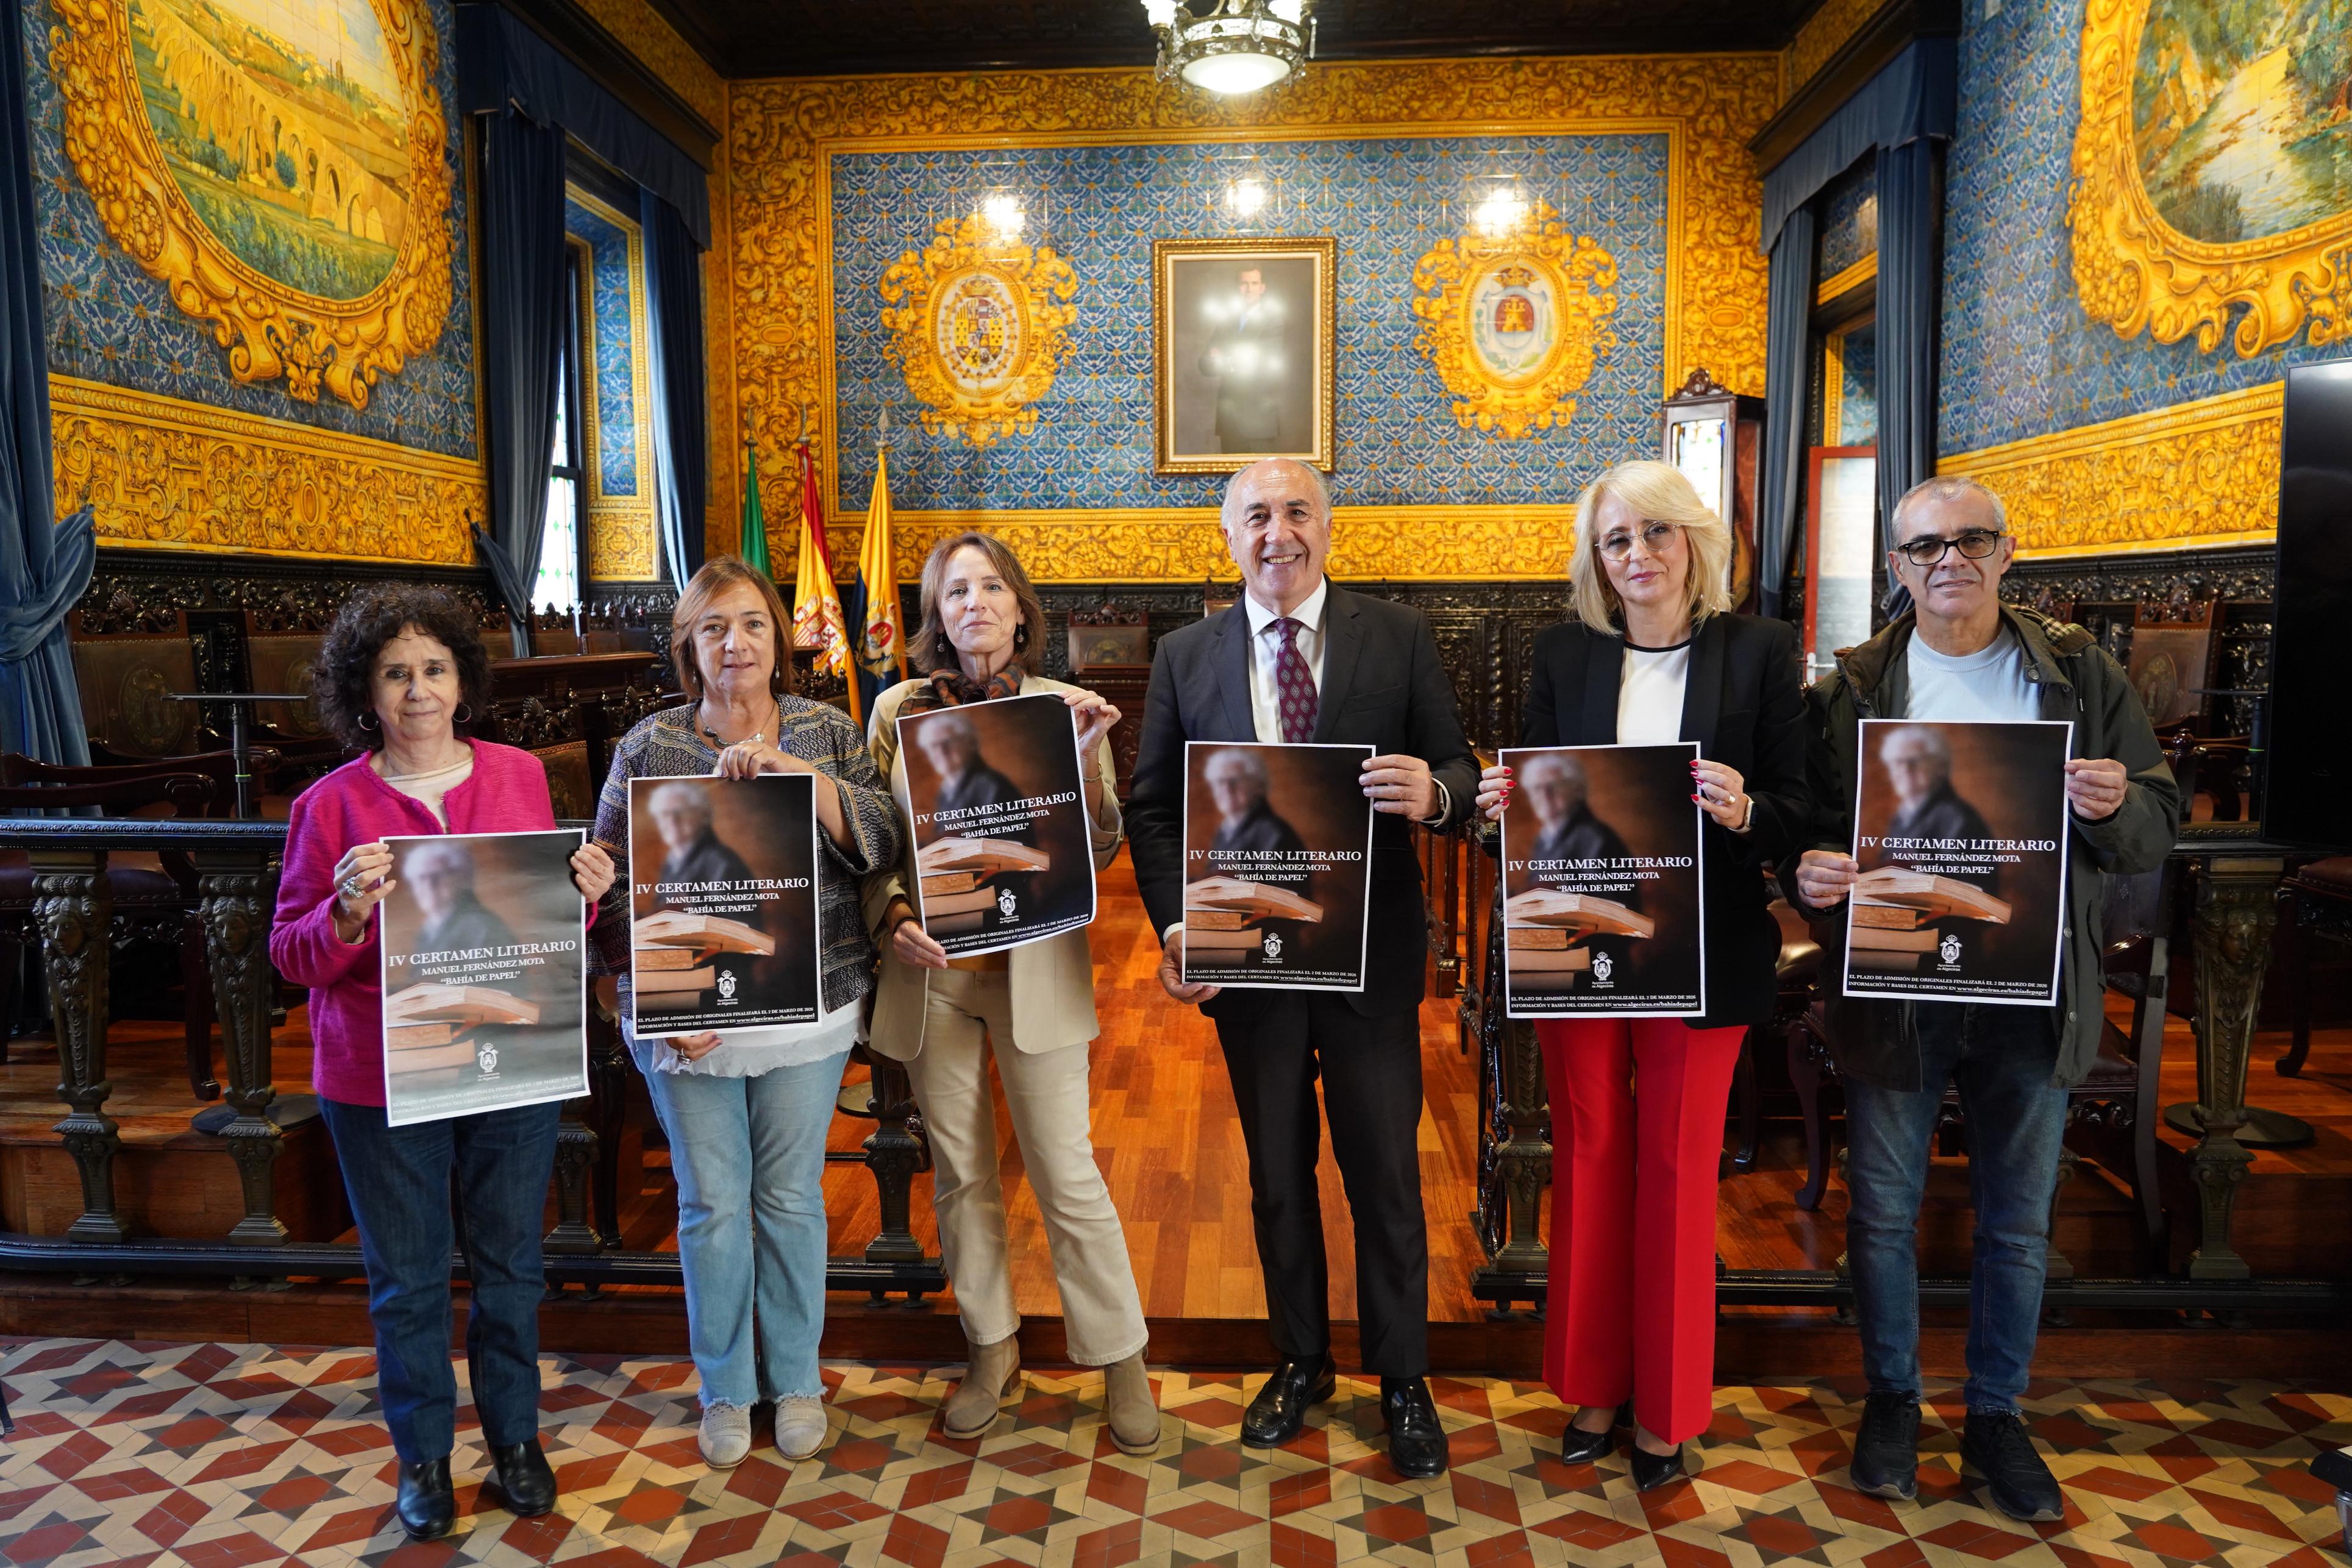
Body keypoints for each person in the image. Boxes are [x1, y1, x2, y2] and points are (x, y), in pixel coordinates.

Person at [1786, 476, 2179, 1522]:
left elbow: (2154, 823)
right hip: (1896, 988)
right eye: (1924, 546)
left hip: (2030, 990)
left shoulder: (2077, 674)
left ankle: (1996, 1416)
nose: (1948, 559)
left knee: (2017, 1222)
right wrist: (1806, 870)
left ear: (2008, 552)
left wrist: (2114, 803)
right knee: (1881, 1211)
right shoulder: (1851, 687)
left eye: (1970, 540)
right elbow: (1808, 828)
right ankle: (1891, 1400)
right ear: (1896, 567)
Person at [1128, 458, 1479, 1479]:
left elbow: (1459, 767)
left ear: (1328, 526)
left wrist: (1432, 794)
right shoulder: (1183, 655)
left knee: (1385, 1174)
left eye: (1295, 512)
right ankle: (1300, 1360)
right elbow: (1153, 807)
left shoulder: (1396, 636)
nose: (1276, 533)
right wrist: (1175, 927)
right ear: (1227, 535)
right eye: (1255, 516)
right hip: (1249, 959)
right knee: (1276, 1173)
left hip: (1368, 957)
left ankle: (1401, 1376)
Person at [1472, 459, 1808, 1492]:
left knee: (1674, 1165)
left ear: (1695, 541)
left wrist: (1748, 809)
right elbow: (1534, 798)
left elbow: (1802, 805)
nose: (1638, 554)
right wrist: (1501, 804)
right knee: (1587, 1153)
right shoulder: (1562, 653)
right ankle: (1592, 1387)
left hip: (1704, 949)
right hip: (1578, 946)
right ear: (1596, 560)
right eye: (1616, 539)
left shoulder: (1757, 651)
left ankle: (1666, 1408)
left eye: (1656, 532)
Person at [269, 586, 615, 1542]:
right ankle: (421, 1458)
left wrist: (585, 895)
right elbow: (291, 954)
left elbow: (543, 918)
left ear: (463, 682)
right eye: (395, 674)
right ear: (364, 692)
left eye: (433, 669)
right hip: (381, 1078)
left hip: (511, 1063)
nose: (417, 690)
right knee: (408, 1281)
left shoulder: (520, 775)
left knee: (510, 1269)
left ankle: (515, 1442)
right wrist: (344, 914)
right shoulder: (328, 805)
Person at [589, 557, 902, 1470]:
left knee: (791, 1200)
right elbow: (607, 886)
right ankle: (726, 1387)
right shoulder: (649, 745)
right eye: (715, 627)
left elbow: (883, 841)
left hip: (807, 1010)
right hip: (690, 1018)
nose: (736, 643)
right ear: (688, 645)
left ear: (779, 639)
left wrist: (800, 778)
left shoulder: (826, 730)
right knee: (711, 1205)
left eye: (754, 623)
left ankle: (796, 1379)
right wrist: (657, 998)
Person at [863, 532, 1158, 1453]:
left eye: (991, 587)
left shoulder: (1061, 706)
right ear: (936, 615)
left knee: (1066, 1169)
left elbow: (1102, 846)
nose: (975, 604)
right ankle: (990, 1346)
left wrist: (1091, 761)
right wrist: (892, 912)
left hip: (1035, 969)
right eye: (956, 592)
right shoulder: (896, 710)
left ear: (1021, 610)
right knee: (961, 1175)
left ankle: (1119, 1355)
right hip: (936, 976)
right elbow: (873, 846)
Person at [1200, 265, 1287, 452]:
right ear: (1237, 287)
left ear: (1262, 287)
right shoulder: (1226, 322)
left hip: (1258, 422)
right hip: (1228, 421)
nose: (1249, 289)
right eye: (1244, 284)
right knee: (1230, 472)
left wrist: (1224, 359)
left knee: (1259, 473)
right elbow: (1205, 365)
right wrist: (1237, 360)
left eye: (1254, 283)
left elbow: (1262, 367)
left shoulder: (1273, 322)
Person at [1519, 751, 1628, 865]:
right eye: (1537, 788)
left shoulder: (1594, 838)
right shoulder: (1545, 839)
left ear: (1578, 790)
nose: (1545, 795)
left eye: (1554, 785)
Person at [915, 710, 1022, 816]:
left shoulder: (992, 787)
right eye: (934, 746)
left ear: (970, 743)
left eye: (948, 742)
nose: (941, 751)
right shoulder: (946, 791)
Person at [1203, 746, 1305, 856]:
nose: (1227, 789)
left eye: (1235, 780)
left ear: (1259, 786)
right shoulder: (1225, 832)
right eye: (1220, 782)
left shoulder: (1273, 833)